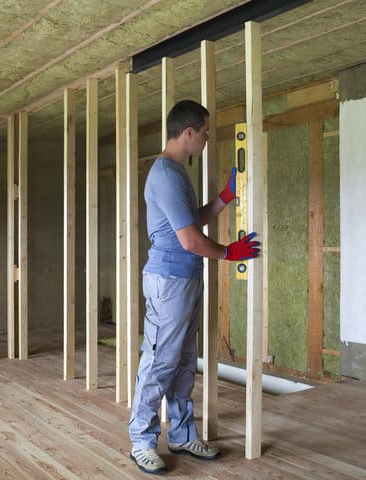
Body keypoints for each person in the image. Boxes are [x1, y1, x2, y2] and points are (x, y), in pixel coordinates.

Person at [128, 100, 260, 475]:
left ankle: (183, 435)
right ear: (188, 133)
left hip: (184, 278)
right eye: (204, 132)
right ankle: (141, 440)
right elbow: (189, 240)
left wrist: (224, 198)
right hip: (169, 280)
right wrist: (229, 253)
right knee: (160, 360)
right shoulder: (166, 175)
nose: (206, 138)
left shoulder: (177, 173)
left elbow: (190, 220)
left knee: (184, 361)